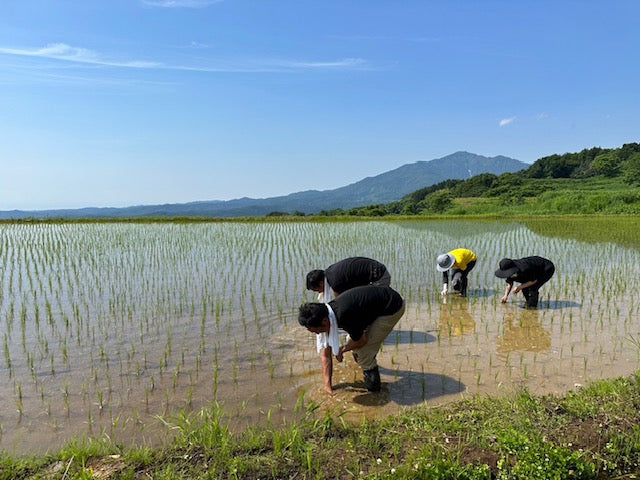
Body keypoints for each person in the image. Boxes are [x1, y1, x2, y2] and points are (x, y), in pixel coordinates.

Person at [298, 285, 405, 393]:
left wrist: (342, 350)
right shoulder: (326, 314)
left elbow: (361, 341)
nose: (316, 333)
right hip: (375, 305)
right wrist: (328, 386)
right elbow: (326, 354)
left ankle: (375, 393)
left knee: (364, 352)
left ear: (325, 322)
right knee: (353, 341)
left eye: (315, 331)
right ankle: (364, 367)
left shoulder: (344, 316)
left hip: (392, 307)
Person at [306, 256, 390, 298]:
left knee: (369, 303)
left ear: (321, 283)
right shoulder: (329, 271)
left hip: (380, 277)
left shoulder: (335, 282)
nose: (319, 293)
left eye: (317, 290)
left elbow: (339, 302)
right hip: (377, 269)